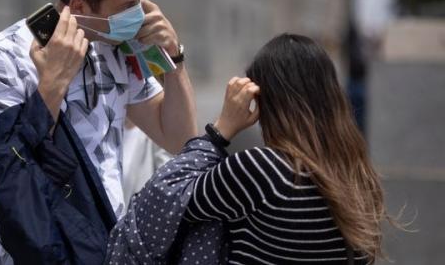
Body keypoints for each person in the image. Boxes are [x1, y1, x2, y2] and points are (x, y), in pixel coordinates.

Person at [0, 0, 197, 263]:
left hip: (110, 251)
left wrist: (173, 59)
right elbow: (5, 180)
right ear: (78, 6)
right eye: (127, 6)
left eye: (140, 1)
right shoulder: (0, 59)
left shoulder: (116, 49)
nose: (138, 15)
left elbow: (181, 140)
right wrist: (52, 85)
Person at [108, 34, 391, 264]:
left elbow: (162, 200)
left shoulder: (264, 169)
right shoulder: (360, 177)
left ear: (268, 100)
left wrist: (220, 130)